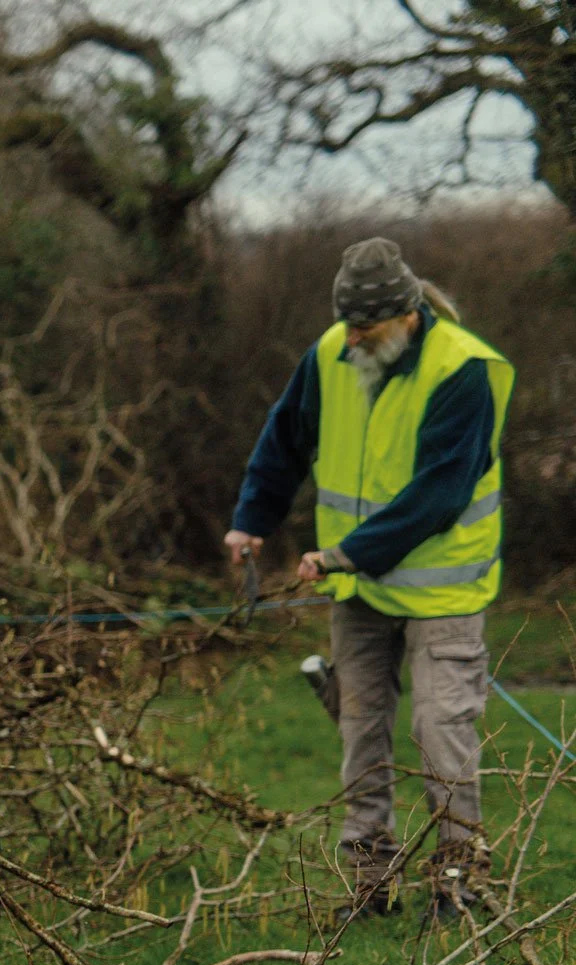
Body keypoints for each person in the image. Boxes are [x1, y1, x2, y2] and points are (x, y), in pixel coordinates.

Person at [226, 238, 514, 924]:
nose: (354, 338)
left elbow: (439, 494)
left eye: (367, 327)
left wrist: (343, 553)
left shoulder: (464, 370)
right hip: (360, 593)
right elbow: (285, 439)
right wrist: (252, 520)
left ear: (407, 314)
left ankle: (456, 880)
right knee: (361, 730)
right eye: (348, 324)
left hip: (441, 591)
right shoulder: (332, 352)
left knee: (439, 730)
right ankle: (369, 878)